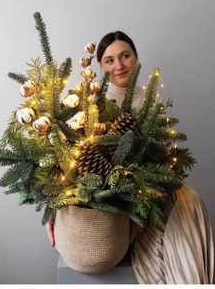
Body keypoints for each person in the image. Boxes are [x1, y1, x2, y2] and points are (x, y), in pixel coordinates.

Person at [46, 31, 214, 284]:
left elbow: (166, 157)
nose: (119, 65)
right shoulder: (90, 102)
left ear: (135, 58)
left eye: (125, 56)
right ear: (100, 66)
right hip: (118, 193)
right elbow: (67, 161)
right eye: (109, 60)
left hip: (157, 185)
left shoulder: (149, 101)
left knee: (191, 203)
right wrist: (52, 207)